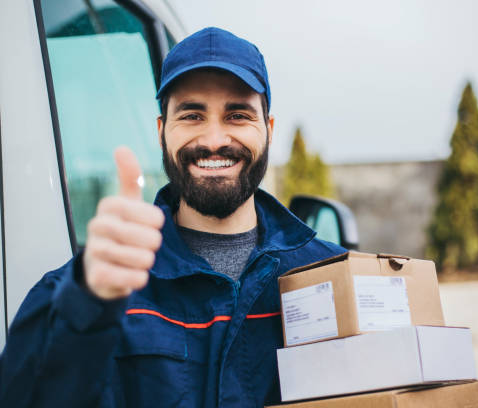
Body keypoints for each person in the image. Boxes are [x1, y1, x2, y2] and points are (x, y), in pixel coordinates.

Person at [0, 27, 345, 407]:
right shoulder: (90, 286)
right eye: (192, 115)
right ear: (162, 131)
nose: (214, 139)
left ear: (269, 130)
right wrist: (85, 308)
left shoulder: (329, 273)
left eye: (237, 115)